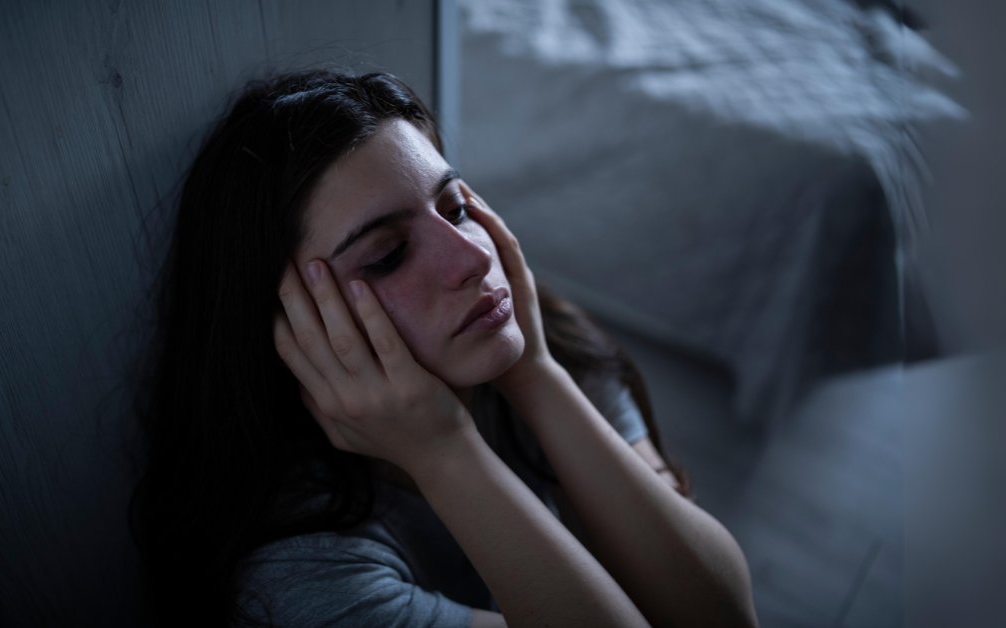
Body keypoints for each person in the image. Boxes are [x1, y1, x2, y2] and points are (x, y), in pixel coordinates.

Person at [128, 68, 757, 627]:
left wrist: (536, 375)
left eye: (454, 208)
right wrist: (442, 452)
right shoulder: (304, 571)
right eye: (388, 254)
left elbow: (723, 615)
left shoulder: (538, 344)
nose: (473, 256)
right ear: (293, 329)